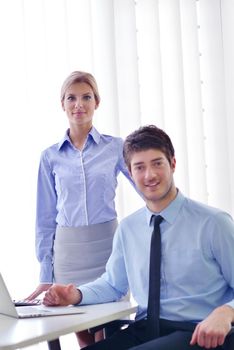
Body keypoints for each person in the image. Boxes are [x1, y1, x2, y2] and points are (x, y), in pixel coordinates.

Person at [42, 125, 234, 350]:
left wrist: (226, 312)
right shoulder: (128, 229)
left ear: (173, 163)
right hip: (144, 331)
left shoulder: (214, 223)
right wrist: (75, 294)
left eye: (157, 163)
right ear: (130, 173)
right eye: (139, 167)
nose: (149, 175)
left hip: (196, 332)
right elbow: (113, 285)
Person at [26, 71, 137, 348]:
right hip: (69, 253)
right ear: (62, 104)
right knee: (83, 333)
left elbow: (147, 189)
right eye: (71, 98)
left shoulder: (115, 147)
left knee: (110, 330)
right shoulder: (50, 157)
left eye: (86, 97)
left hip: (107, 249)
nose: (79, 104)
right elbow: (45, 219)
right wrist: (46, 272)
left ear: (97, 102)